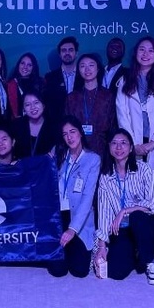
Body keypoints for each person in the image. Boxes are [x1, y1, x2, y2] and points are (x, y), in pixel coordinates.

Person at [95, 128, 154, 284]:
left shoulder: (144, 169)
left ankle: (149, 261)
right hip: (123, 229)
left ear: (131, 148)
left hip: (146, 225)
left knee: (137, 216)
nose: (119, 148)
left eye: (124, 143)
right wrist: (102, 245)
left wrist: (126, 210)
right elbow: (104, 211)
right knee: (115, 272)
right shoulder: (106, 176)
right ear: (109, 147)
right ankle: (135, 251)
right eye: (114, 143)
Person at [47, 115, 100, 278]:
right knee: (58, 270)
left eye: (72, 131)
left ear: (80, 133)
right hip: (58, 216)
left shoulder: (92, 159)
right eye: (65, 134)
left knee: (80, 271)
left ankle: (72, 246)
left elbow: (87, 198)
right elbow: (39, 172)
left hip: (78, 218)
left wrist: (72, 229)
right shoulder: (58, 153)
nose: (69, 137)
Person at [116, 36, 154, 176]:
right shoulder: (125, 80)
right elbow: (122, 114)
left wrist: (153, 142)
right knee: (134, 180)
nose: (145, 54)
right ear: (135, 53)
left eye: (151, 51)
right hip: (134, 141)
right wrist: (131, 143)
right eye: (142, 50)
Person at [65, 53, 116, 157]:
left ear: (98, 69)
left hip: (102, 148)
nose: (87, 69)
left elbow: (113, 125)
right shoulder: (72, 97)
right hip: (77, 148)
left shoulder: (108, 96)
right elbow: (66, 125)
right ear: (78, 71)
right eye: (82, 66)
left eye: (91, 65)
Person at [44, 36, 81, 125]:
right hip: (56, 125)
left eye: (70, 50)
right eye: (64, 50)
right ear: (59, 54)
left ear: (76, 53)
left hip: (80, 124)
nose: (67, 53)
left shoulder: (84, 77)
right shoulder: (50, 78)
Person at [12, 91, 57, 159]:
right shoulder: (16, 126)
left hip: (46, 168)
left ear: (43, 105)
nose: (33, 107)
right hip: (21, 168)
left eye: (36, 103)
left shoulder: (54, 126)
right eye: (27, 104)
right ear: (23, 109)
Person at [7, 52, 44, 119]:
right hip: (16, 124)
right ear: (18, 65)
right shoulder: (9, 84)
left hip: (37, 122)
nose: (25, 67)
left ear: (33, 68)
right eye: (22, 63)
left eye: (29, 65)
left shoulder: (41, 83)